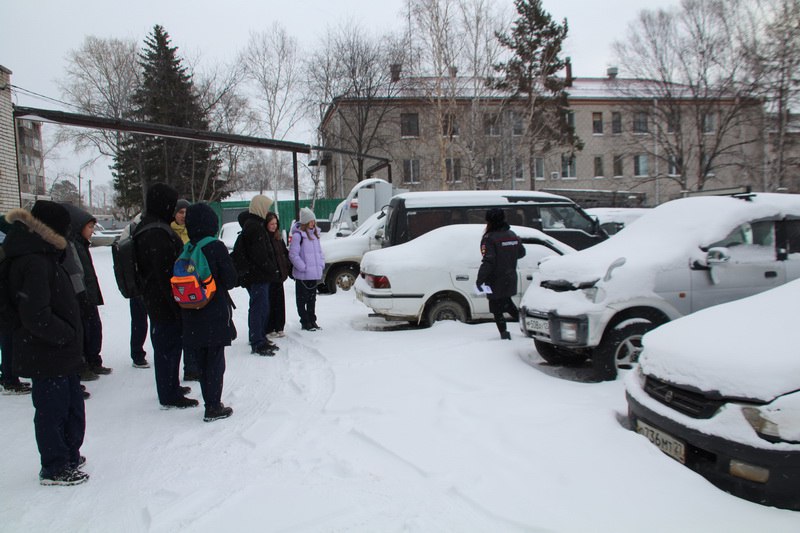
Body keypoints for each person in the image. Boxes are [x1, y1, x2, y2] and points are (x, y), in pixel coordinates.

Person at [4, 201, 89, 485]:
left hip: (59, 352)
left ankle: (67, 454)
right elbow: (35, 314)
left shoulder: (44, 254)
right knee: (53, 410)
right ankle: (54, 466)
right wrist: (65, 334)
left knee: (71, 406)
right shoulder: (34, 260)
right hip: (47, 351)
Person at [135, 183, 198, 409]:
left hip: (159, 298)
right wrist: (175, 303)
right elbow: (163, 273)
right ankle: (168, 393)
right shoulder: (155, 232)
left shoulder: (152, 226)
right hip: (163, 300)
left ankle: (171, 385)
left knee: (171, 344)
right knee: (167, 346)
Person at [181, 203, 237, 421]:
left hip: (191, 312)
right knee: (215, 361)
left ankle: (209, 401)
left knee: (202, 361)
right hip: (213, 312)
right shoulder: (215, 246)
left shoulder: (188, 248)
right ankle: (213, 406)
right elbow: (230, 280)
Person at [63, 204, 112, 377]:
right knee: (84, 329)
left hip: (89, 293)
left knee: (94, 327)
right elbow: (76, 272)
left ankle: (93, 359)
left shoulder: (82, 244)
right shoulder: (71, 245)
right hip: (81, 295)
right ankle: (84, 363)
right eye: (90, 227)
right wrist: (81, 294)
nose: (92, 230)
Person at [235, 195, 281, 356]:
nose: (268, 211)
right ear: (260, 207)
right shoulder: (255, 227)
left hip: (258, 276)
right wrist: (271, 269)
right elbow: (259, 255)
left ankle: (259, 337)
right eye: (266, 207)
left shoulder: (254, 225)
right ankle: (257, 341)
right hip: (258, 276)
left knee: (261, 307)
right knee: (259, 308)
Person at [476, 208, 526, 340]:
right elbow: (521, 253)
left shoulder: (489, 238)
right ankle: (526, 327)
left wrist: (480, 280)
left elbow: (489, 261)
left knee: (497, 309)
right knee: (508, 305)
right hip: (510, 277)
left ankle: (504, 336)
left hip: (495, 280)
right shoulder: (512, 234)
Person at [0, 213, 31, 395]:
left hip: (7, 305)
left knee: (9, 340)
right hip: (6, 307)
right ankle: (9, 379)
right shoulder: (6, 254)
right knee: (8, 340)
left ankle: (9, 375)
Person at [289, 207, 325, 331]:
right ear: (305, 222)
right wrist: (303, 267)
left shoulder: (315, 235)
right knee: (302, 299)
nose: (312, 223)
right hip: (303, 274)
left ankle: (312, 320)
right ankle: (305, 321)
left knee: (312, 299)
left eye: (313, 221)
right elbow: (293, 254)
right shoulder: (298, 236)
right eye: (310, 221)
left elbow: (320, 253)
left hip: (313, 274)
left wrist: (321, 264)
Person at [265, 212, 290, 338]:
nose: (274, 226)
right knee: (270, 302)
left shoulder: (278, 238)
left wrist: (286, 267)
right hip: (270, 276)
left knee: (280, 302)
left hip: (280, 275)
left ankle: (280, 326)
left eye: (275, 224)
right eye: (271, 224)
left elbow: (284, 254)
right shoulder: (265, 238)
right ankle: (270, 327)